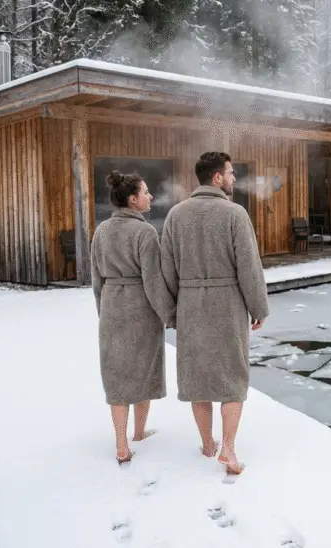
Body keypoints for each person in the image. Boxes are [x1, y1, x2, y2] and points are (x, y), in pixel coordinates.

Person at [160, 151, 269, 476]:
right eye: (231, 173)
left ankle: (208, 444)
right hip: (228, 306)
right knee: (232, 376)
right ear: (217, 177)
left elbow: (166, 270)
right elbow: (249, 267)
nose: (235, 178)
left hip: (191, 305)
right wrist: (258, 307)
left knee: (199, 378)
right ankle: (229, 449)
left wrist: (174, 311)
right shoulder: (235, 214)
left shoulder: (176, 216)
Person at [91, 171, 175, 465]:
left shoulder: (101, 231)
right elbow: (153, 281)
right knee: (143, 370)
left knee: (117, 375)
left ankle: (120, 443)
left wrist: (105, 313)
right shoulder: (145, 233)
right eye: (146, 192)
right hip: (141, 308)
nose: (151, 197)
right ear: (133, 200)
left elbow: (96, 280)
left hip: (113, 305)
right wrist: (170, 315)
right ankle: (137, 434)